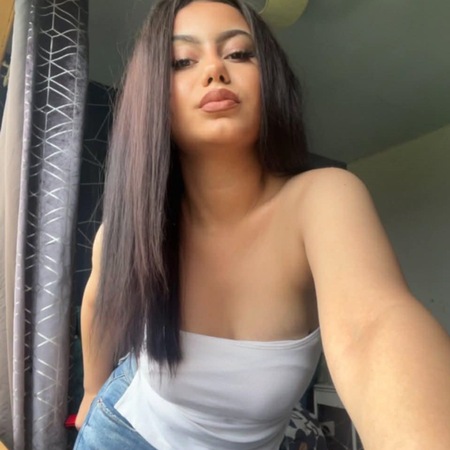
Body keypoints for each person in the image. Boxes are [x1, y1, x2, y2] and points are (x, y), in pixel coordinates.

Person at [74, 0, 450, 448]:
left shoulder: (323, 200)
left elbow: (372, 330)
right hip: (123, 431)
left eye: (238, 53)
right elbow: (97, 304)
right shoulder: (131, 232)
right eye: (182, 61)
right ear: (150, 96)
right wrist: (92, 389)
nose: (215, 70)